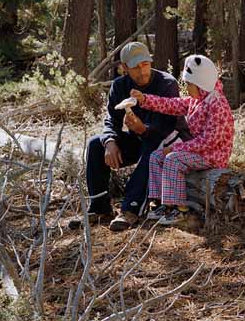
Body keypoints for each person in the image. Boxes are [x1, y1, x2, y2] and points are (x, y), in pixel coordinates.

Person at [72, 42, 183, 232]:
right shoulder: (120, 85)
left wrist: (144, 129)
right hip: (139, 140)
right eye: (135, 67)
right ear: (124, 68)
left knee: (151, 148)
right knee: (95, 145)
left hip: (168, 143)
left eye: (145, 64)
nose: (142, 71)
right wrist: (110, 141)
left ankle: (131, 208)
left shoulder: (167, 83)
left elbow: (167, 127)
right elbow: (110, 120)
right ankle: (100, 208)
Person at [130, 54, 234, 226]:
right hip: (199, 150)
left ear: (201, 84)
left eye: (189, 84)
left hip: (213, 155)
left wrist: (177, 149)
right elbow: (172, 105)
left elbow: (210, 141)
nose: (186, 87)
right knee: (156, 157)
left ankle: (180, 209)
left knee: (172, 159)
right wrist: (145, 99)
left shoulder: (217, 105)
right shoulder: (197, 100)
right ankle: (161, 202)